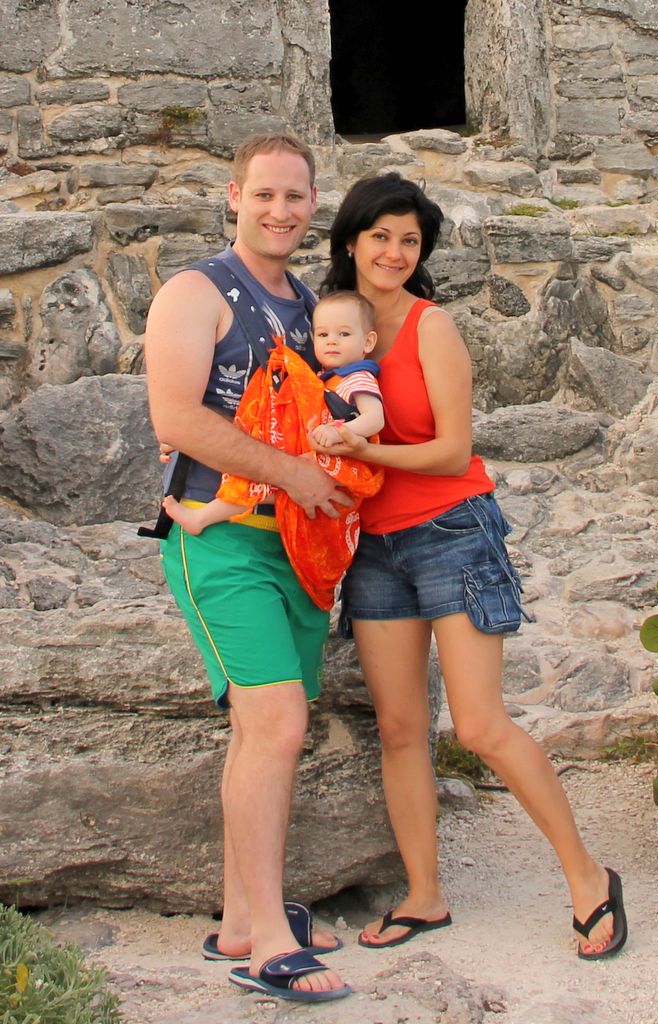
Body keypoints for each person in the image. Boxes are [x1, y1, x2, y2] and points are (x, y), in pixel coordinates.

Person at [312, 172, 628, 961]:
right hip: (374, 549)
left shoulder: (431, 327)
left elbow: (453, 451)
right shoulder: (325, 326)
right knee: (399, 729)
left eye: (410, 241)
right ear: (351, 239)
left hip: (451, 529)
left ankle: (589, 877)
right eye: (381, 236)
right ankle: (425, 896)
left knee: (481, 725)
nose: (395, 253)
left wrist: (364, 452)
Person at [143, 132, 352, 1003]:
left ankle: (240, 914)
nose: (280, 210)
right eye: (263, 194)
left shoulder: (312, 308)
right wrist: (294, 473)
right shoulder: (195, 292)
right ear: (234, 196)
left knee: (263, 729)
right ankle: (268, 944)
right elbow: (178, 420)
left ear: (313, 204)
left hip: (299, 550)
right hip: (222, 544)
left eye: (295, 196)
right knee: (277, 725)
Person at [162, 290, 384, 534]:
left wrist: (338, 431)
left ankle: (201, 518)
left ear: (368, 342)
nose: (332, 341)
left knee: (262, 485)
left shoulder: (357, 377)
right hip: (320, 456)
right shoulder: (324, 377)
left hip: (340, 462)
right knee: (266, 485)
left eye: (344, 334)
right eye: (323, 334)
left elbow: (374, 419)